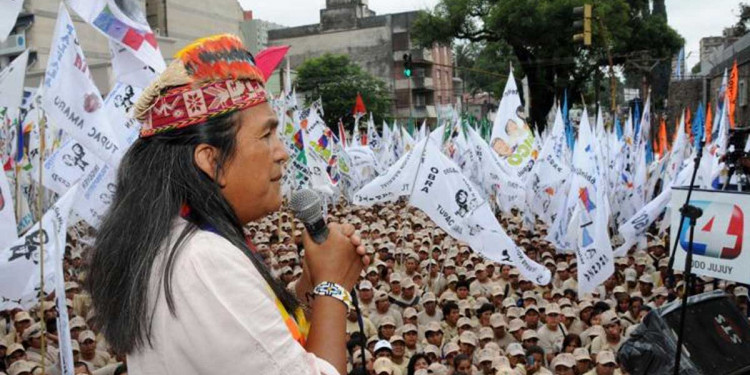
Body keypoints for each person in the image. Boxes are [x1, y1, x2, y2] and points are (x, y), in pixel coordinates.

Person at [86, 34, 368, 375]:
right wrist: (332, 286)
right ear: (210, 159)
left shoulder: (178, 244)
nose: (282, 153)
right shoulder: (202, 260)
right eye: (266, 136)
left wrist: (309, 289)